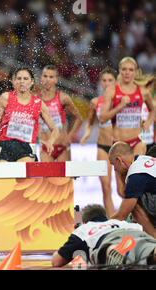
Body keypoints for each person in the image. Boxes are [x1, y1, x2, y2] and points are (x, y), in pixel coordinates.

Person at [99, 57, 155, 196]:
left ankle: (135, 216)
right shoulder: (112, 90)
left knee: (136, 181)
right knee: (121, 190)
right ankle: (131, 212)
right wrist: (120, 106)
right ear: (119, 71)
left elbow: (152, 109)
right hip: (118, 144)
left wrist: (148, 122)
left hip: (137, 142)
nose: (127, 72)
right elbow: (102, 118)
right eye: (124, 69)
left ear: (135, 72)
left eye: (130, 70)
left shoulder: (143, 92)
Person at [0, 67, 59, 162]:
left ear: (32, 81)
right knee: (4, 175)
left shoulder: (39, 103)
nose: (22, 81)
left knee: (23, 170)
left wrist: (50, 142)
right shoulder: (6, 98)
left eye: (25, 79)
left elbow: (55, 129)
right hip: (5, 145)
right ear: (14, 81)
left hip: (26, 147)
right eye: (19, 78)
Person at [52, 204, 156, 267]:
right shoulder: (119, 222)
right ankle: (153, 251)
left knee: (105, 250)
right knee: (148, 251)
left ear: (85, 221)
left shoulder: (84, 229)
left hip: (110, 239)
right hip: (136, 234)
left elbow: (57, 262)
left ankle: (113, 250)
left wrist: (59, 252)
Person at [80, 67, 118, 217]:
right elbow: (90, 122)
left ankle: (130, 217)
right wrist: (86, 134)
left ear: (116, 82)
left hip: (119, 147)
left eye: (110, 80)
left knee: (125, 189)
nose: (107, 83)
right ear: (100, 83)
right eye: (104, 80)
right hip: (102, 147)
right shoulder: (96, 102)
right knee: (106, 186)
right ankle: (112, 220)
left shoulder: (122, 101)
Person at [108, 142, 156, 238]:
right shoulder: (142, 160)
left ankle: (154, 240)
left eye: (113, 165)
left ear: (119, 160)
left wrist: (101, 226)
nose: (114, 170)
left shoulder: (136, 175)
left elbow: (121, 215)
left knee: (134, 206)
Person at [38, 65, 82, 162]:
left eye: (51, 77)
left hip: (62, 146)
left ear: (56, 80)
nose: (47, 80)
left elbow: (79, 118)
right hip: (46, 147)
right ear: (41, 78)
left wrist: (70, 136)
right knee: (47, 177)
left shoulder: (63, 98)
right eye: (45, 76)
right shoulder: (36, 99)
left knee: (65, 177)